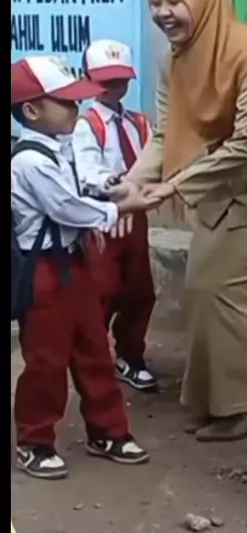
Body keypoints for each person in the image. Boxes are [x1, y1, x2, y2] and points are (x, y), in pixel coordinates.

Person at [126, 0, 247, 442]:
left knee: (227, 294)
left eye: (174, 0)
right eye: (156, 2)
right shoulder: (173, 62)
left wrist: (175, 185)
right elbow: (165, 134)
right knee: (206, 291)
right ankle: (229, 399)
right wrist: (133, 180)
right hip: (218, 197)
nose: (163, 12)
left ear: (203, 0)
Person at [11, 55, 154, 480]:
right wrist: (120, 207)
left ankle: (108, 431)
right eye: (65, 102)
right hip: (44, 269)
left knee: (94, 349)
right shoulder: (28, 161)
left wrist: (111, 187)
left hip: (74, 264)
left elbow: (82, 185)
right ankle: (35, 440)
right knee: (46, 360)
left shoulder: (61, 147)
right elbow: (67, 207)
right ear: (32, 110)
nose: (75, 109)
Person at [72, 39, 156, 391]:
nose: (113, 87)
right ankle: (92, 359)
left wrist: (144, 189)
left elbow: (154, 159)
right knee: (102, 291)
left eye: (120, 80)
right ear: (86, 79)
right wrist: (116, 185)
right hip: (103, 215)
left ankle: (130, 355)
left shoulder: (139, 122)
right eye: (105, 80)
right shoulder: (86, 124)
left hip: (135, 215)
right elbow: (87, 170)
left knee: (140, 291)